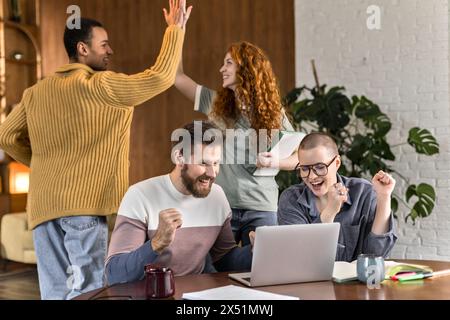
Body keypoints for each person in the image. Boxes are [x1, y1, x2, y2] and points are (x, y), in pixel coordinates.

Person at [0, 0, 192, 300]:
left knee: (54, 294)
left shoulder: (35, 92)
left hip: (42, 208)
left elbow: (7, 135)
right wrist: (175, 30)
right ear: (82, 49)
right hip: (83, 207)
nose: (110, 51)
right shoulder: (100, 86)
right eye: (104, 45)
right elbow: (160, 77)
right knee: (89, 292)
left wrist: (41, 165)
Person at [174, 41, 298, 246]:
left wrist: (275, 161)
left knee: (262, 269)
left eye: (229, 63)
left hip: (261, 208)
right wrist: (177, 32)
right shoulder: (217, 105)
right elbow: (178, 78)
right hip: (222, 206)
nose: (222, 69)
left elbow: (298, 158)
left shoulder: (274, 113)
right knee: (216, 271)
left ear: (246, 68)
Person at [105, 121, 252, 285]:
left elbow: (224, 259)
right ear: (179, 157)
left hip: (195, 298)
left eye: (216, 163)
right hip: (151, 294)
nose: (212, 173)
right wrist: (157, 243)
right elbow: (115, 274)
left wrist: (256, 251)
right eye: (203, 163)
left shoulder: (217, 196)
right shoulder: (139, 195)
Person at [278, 132, 398, 262]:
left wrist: (384, 197)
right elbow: (301, 258)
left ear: (336, 163)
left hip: (358, 281)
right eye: (305, 169)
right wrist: (329, 213)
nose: (312, 176)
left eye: (319, 167)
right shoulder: (290, 200)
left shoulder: (363, 192)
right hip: (314, 282)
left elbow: (377, 255)